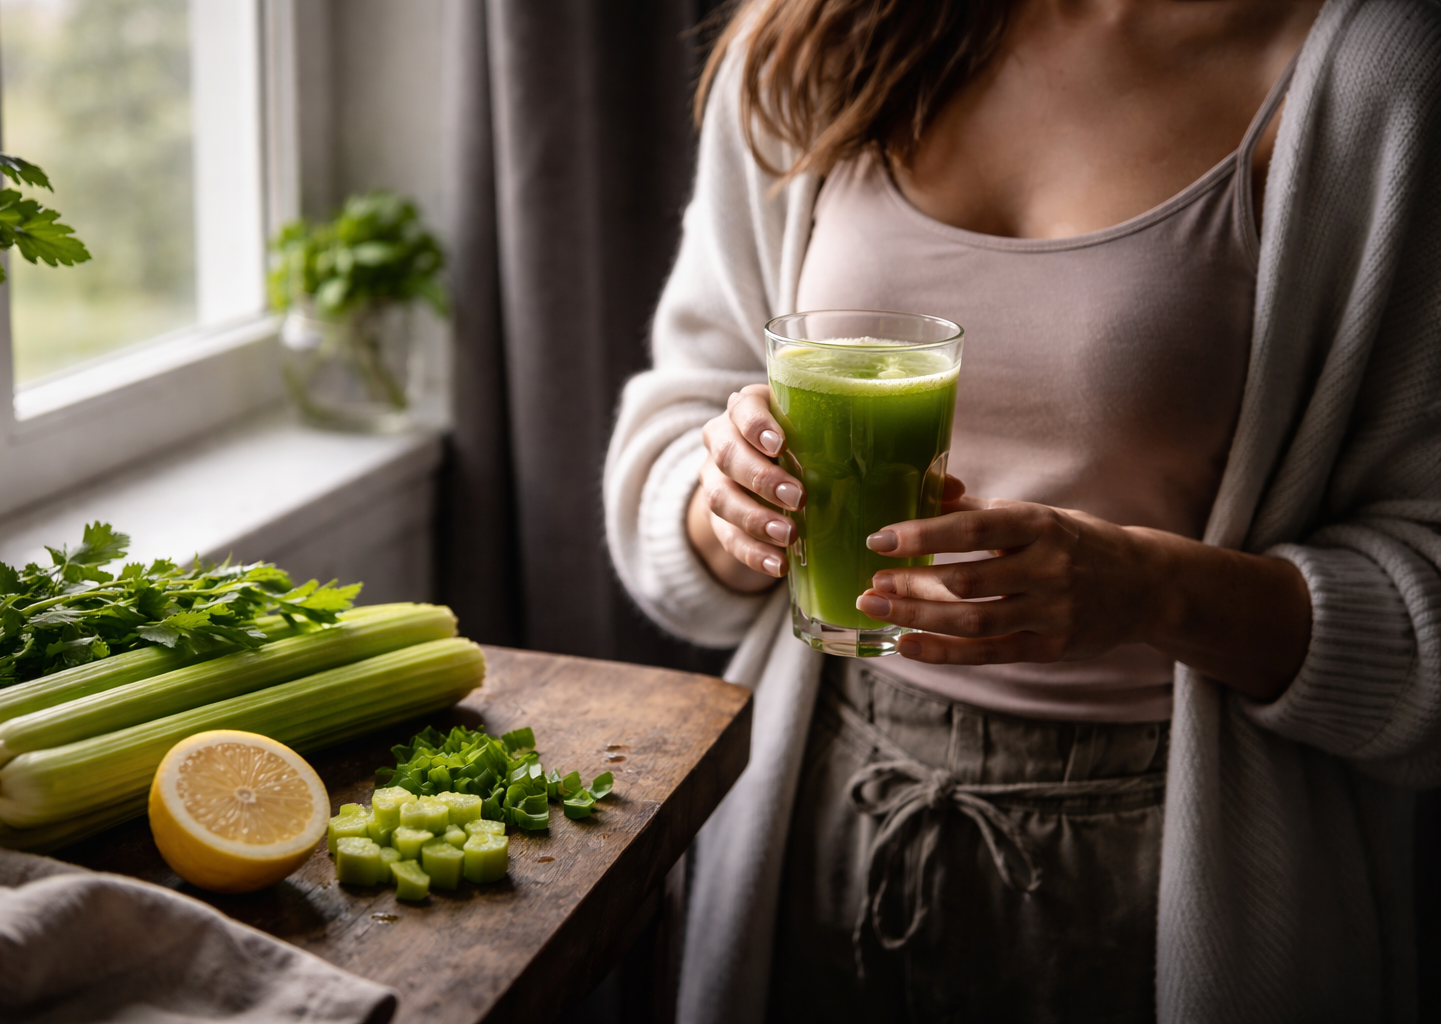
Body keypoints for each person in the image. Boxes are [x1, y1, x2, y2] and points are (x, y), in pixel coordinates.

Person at [605, 0, 1441, 1019]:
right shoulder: (812, 33)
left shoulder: (1379, 76)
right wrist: (726, 503)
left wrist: (1154, 591)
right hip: (815, 813)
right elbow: (679, 429)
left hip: (1172, 862)